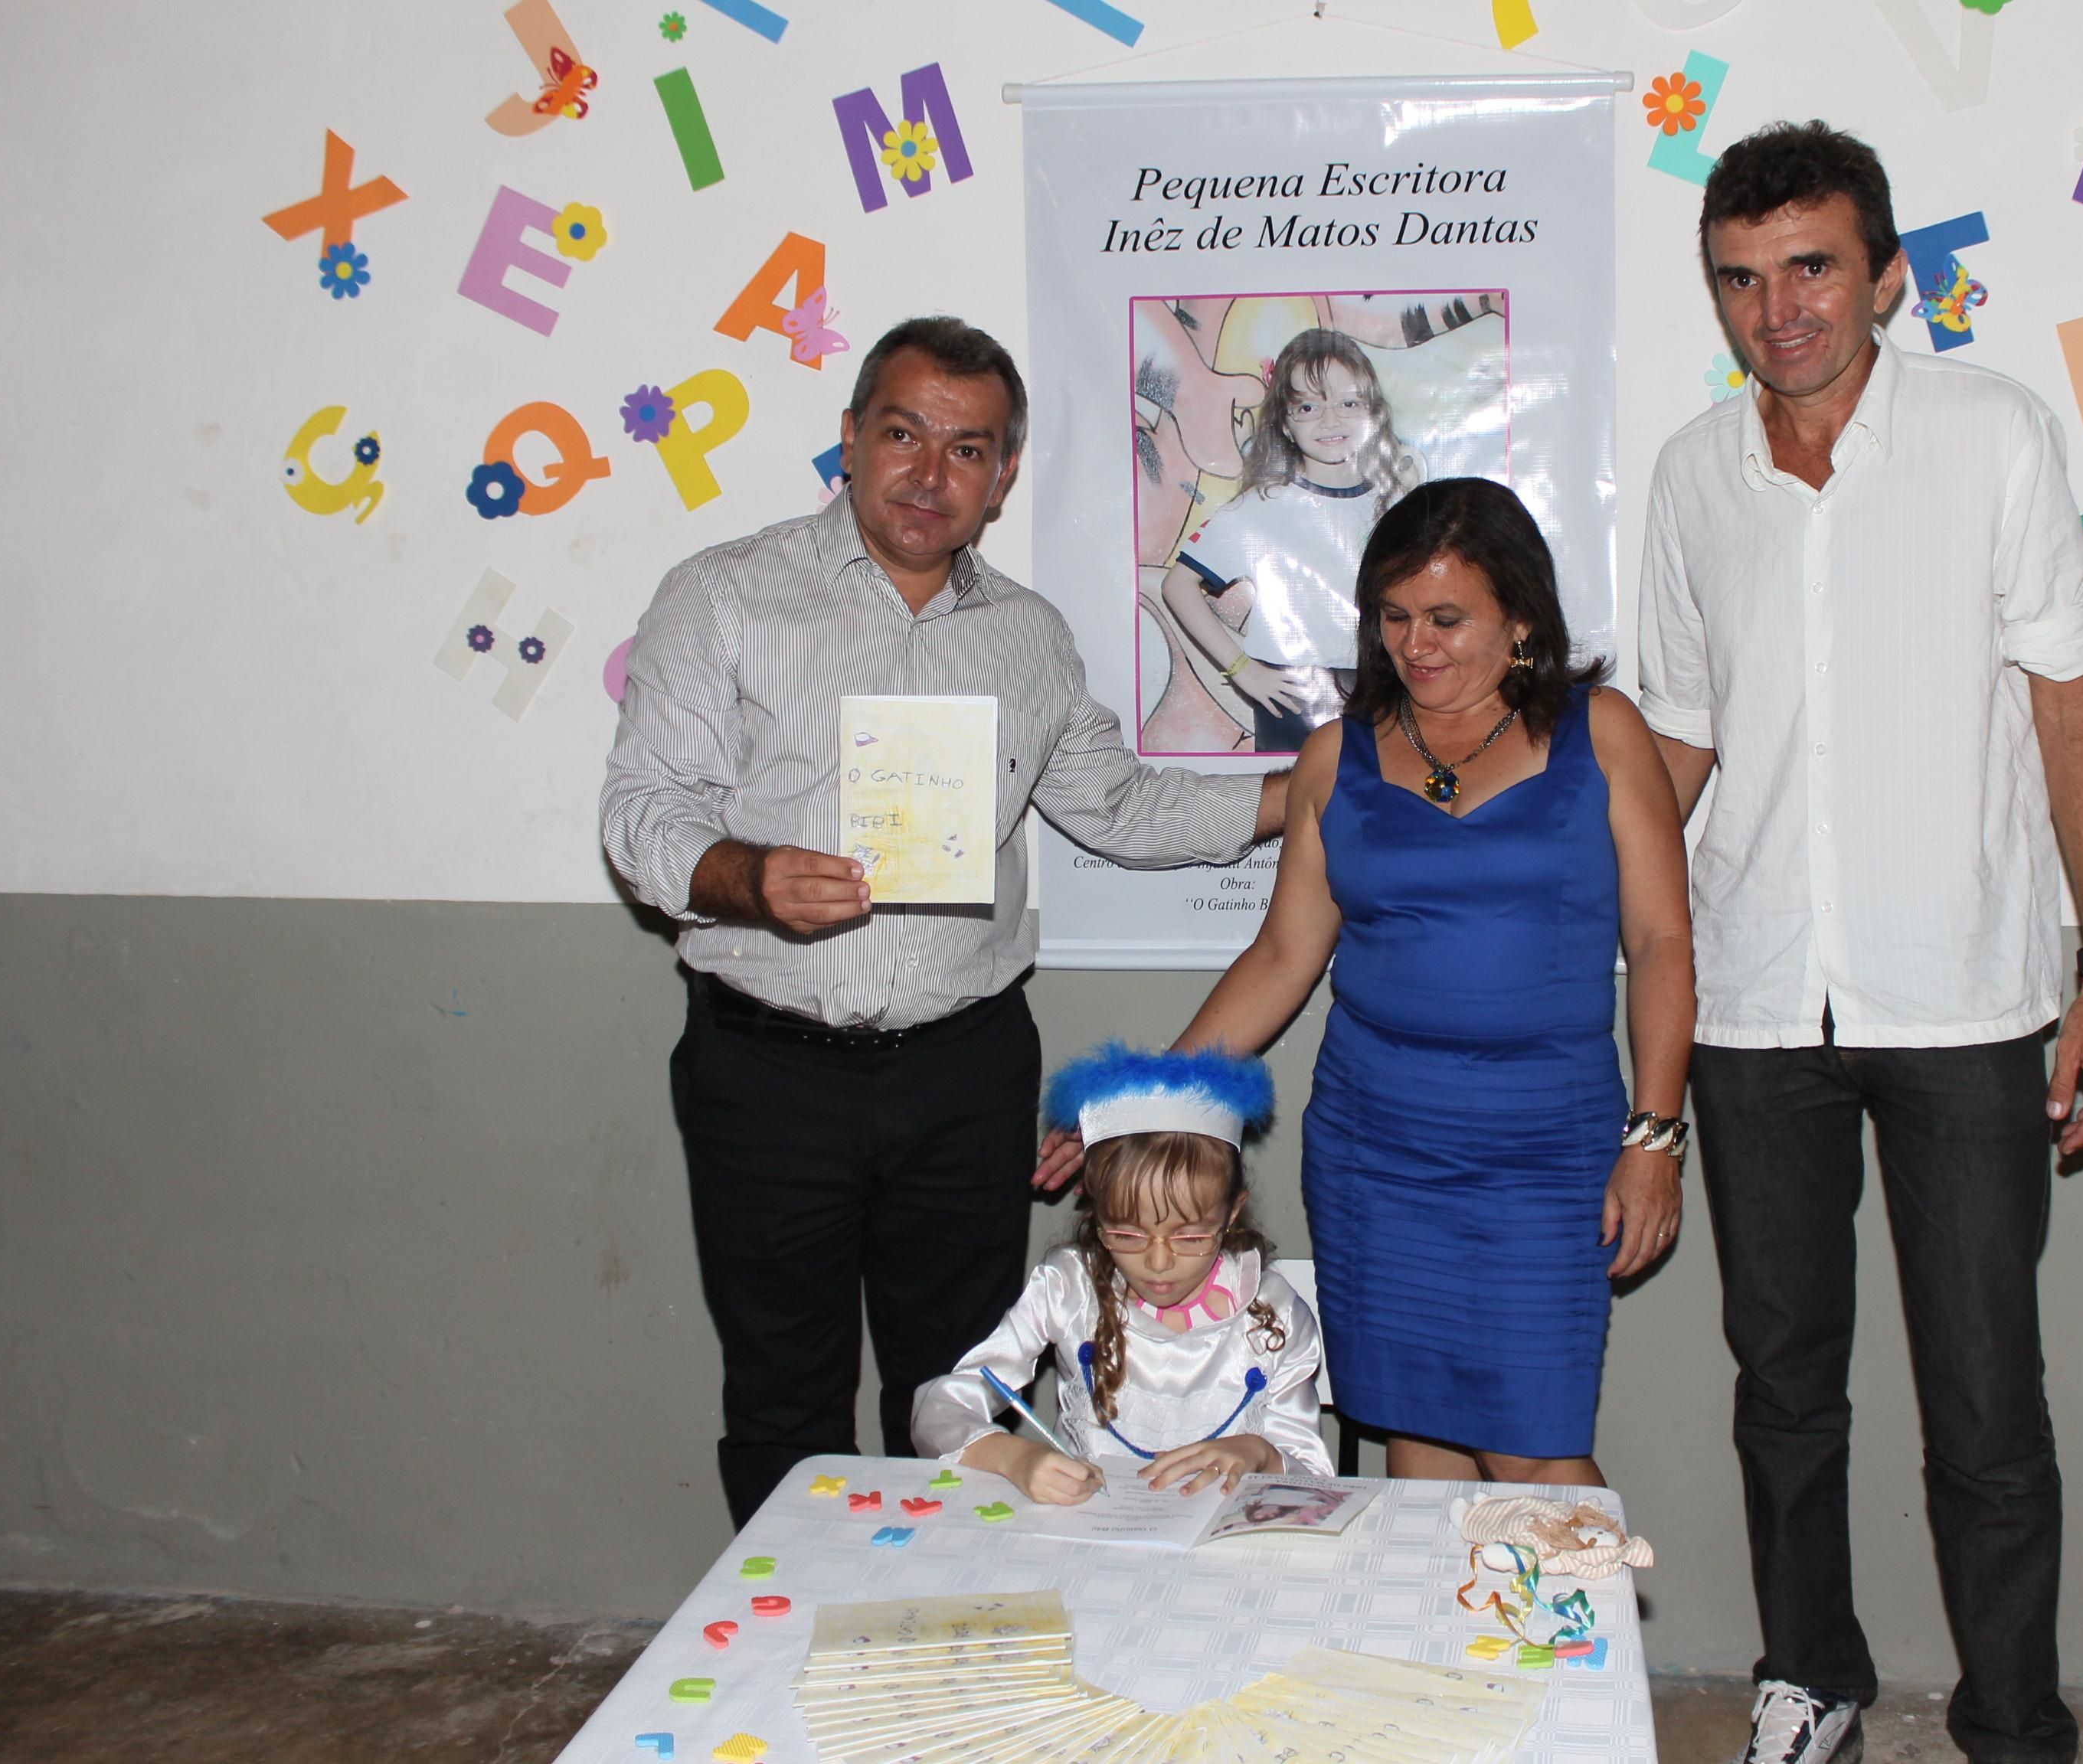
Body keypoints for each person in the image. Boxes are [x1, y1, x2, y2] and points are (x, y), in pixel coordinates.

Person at [600, 315, 1287, 1528]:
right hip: (768, 1071)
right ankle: (794, 1631)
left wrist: (1311, 793)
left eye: (967, 450)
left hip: (965, 1075)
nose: (929, 474)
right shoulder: (724, 597)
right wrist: (747, 876)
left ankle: (959, 1625)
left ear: (1003, 475)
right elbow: (642, 812)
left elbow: (1121, 806)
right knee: (783, 1393)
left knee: (966, 1395)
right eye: (903, 435)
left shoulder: (1027, 636)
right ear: (852, 438)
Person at [1635, 124, 2083, 1764]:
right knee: (1783, 1385)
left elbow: (2069, 708)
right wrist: (1557, 905)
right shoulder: (1693, 476)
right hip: (1753, 1001)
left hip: (1965, 998)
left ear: (1887, 277)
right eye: (1740, 278)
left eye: (1812, 268)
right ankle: (1811, 1678)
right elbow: (1681, 742)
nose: (1777, 309)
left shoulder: (1993, 435)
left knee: (1988, 1400)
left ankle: (2013, 1721)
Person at [1170, 475, 1696, 1485]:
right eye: (1395, 616)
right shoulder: (1337, 756)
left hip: (1546, 1154)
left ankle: (1590, 1602)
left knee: (1533, 1453)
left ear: (1522, 620)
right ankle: (1442, 1608)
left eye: (1447, 619)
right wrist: (1145, 1095)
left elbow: (1664, 943)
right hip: (1376, 1153)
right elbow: (1282, 957)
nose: (1416, 645)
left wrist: (1655, 1137)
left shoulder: (1604, 732)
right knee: (1421, 1444)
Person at [911, 1044, 1329, 1499]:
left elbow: (1316, 1480)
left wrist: (1261, 1454)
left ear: (1231, 1213)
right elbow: (938, 1409)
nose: (1158, 1263)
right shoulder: (1068, 1290)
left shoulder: (1275, 1312)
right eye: (1127, 1235)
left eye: (1190, 1237)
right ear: (1097, 1213)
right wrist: (1014, 1458)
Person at [1159, 328, 1422, 753]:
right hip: (1295, 697)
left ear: (1373, 411)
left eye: (1348, 403)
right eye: (1308, 406)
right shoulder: (1260, 507)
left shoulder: (1400, 503)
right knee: (1297, 799)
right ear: (1284, 421)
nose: (1330, 420)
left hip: (1387, 685)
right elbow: (1178, 585)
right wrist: (1243, 670)